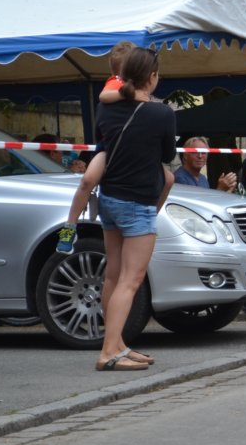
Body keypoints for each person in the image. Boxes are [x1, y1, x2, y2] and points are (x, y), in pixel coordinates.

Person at [91, 46, 177, 371]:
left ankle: (116, 344)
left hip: (110, 198)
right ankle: (108, 353)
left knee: (113, 276)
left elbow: (102, 142)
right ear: (152, 77)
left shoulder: (106, 108)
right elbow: (167, 155)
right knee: (131, 279)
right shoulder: (162, 114)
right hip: (138, 202)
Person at [56, 47, 174, 256]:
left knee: (169, 179)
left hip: (111, 166)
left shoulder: (117, 95)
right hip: (107, 152)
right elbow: (103, 97)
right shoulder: (116, 84)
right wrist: (130, 94)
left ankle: (148, 221)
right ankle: (70, 225)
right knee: (87, 181)